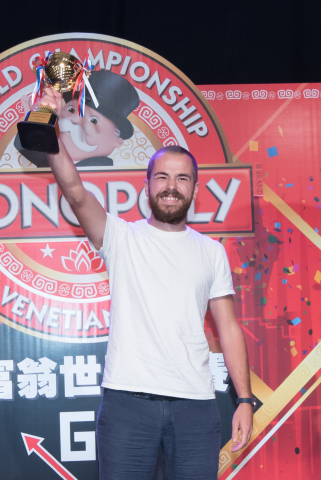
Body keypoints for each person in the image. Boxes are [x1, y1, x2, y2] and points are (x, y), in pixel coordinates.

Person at [38, 86, 253, 480]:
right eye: (163, 177)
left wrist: (244, 400)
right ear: (148, 184)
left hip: (196, 408)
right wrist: (49, 129)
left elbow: (229, 328)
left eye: (182, 179)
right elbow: (75, 191)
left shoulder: (211, 252)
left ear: (194, 189)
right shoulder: (120, 236)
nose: (172, 186)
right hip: (127, 407)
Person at [14, 70, 139, 167]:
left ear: (117, 141)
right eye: (71, 110)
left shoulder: (100, 171)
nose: (75, 120)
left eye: (93, 120)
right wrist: (42, 116)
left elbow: (72, 185)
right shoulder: (49, 162)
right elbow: (26, 146)